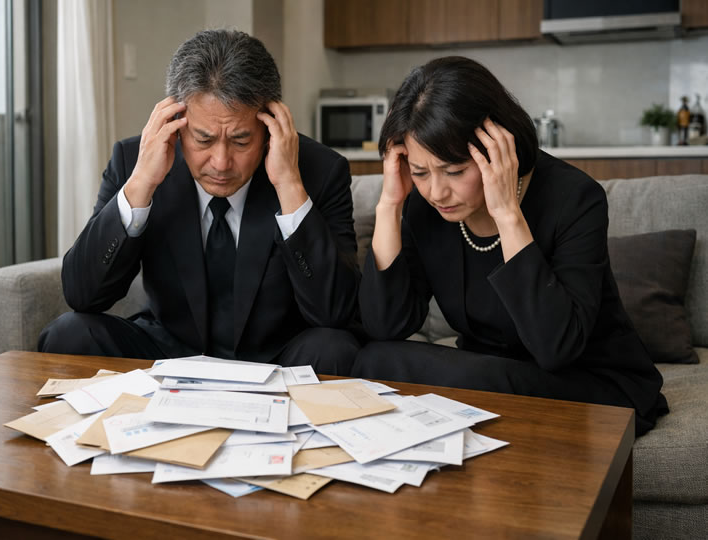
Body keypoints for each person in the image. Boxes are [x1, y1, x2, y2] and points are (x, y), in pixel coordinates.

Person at [352, 56, 667, 435]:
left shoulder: (575, 198)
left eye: (455, 171)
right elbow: (386, 326)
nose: (436, 192)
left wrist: (506, 213)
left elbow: (556, 347)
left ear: (496, 147)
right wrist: (390, 205)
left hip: (587, 382)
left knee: (475, 380)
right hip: (492, 373)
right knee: (376, 358)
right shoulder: (425, 207)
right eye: (420, 172)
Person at [38, 29, 360, 374]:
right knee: (70, 334)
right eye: (203, 140)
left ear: (269, 130)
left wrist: (289, 185)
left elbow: (335, 313)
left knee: (335, 349)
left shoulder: (320, 171)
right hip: (168, 351)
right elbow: (83, 295)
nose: (220, 163)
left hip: (276, 358)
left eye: (240, 141)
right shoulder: (135, 161)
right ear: (176, 125)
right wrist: (142, 183)